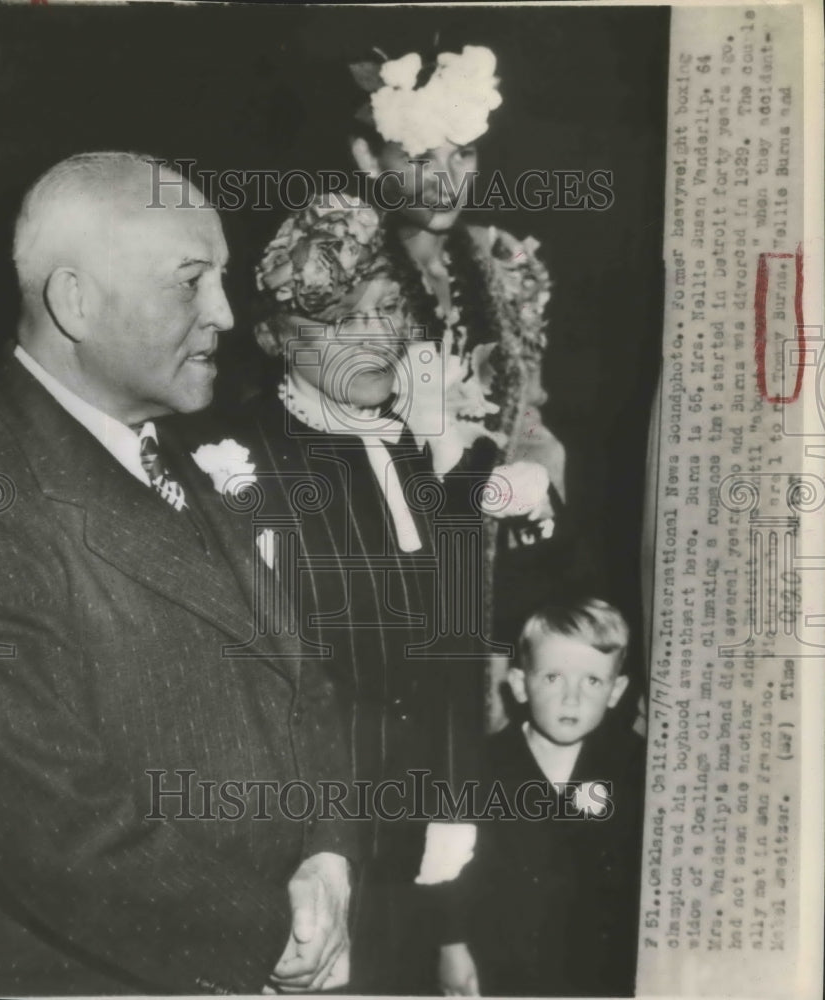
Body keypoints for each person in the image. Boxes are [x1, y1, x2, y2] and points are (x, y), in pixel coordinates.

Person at [0, 152, 355, 996]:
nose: (224, 311)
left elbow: (300, 682)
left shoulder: (157, 439)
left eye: (220, 277)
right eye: (191, 282)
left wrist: (326, 853)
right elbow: (57, 828)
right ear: (75, 301)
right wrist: (274, 936)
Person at [176, 194, 499, 993]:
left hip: (417, 826)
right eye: (340, 321)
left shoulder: (427, 448)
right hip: (296, 843)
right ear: (277, 338)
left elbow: (456, 641)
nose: (374, 339)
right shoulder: (234, 465)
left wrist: (454, 804)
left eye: (387, 309)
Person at [346, 45, 592, 693]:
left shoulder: (500, 261)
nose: (448, 179)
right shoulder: (339, 273)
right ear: (369, 159)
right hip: (388, 571)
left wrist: (534, 489)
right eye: (422, 158)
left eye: (464, 154)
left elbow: (528, 419)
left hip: (501, 572)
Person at [435, 598, 645, 997]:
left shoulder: (632, 766)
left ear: (616, 690)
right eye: (553, 678)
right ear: (518, 684)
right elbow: (448, 870)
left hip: (603, 975)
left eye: (592, 681)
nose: (572, 698)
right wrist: (452, 945)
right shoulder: (481, 766)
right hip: (502, 969)